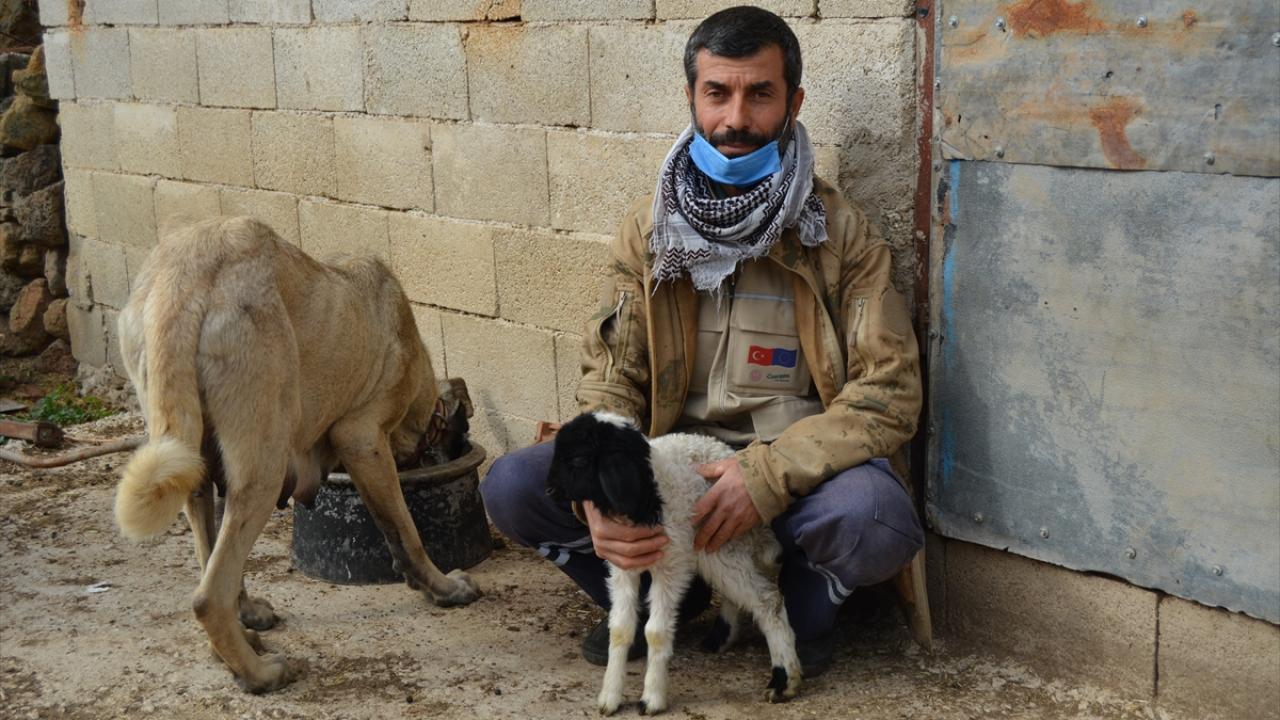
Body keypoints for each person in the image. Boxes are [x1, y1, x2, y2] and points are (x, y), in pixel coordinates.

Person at [482, 5, 924, 677]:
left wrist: (765, 476)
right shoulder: (649, 230)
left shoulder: (839, 236)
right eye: (717, 93)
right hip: (670, 480)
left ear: (793, 101)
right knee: (514, 485)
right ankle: (677, 598)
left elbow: (888, 394)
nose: (735, 119)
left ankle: (800, 605)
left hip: (791, 481)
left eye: (759, 94)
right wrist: (605, 495)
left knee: (875, 516)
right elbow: (611, 376)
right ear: (692, 96)